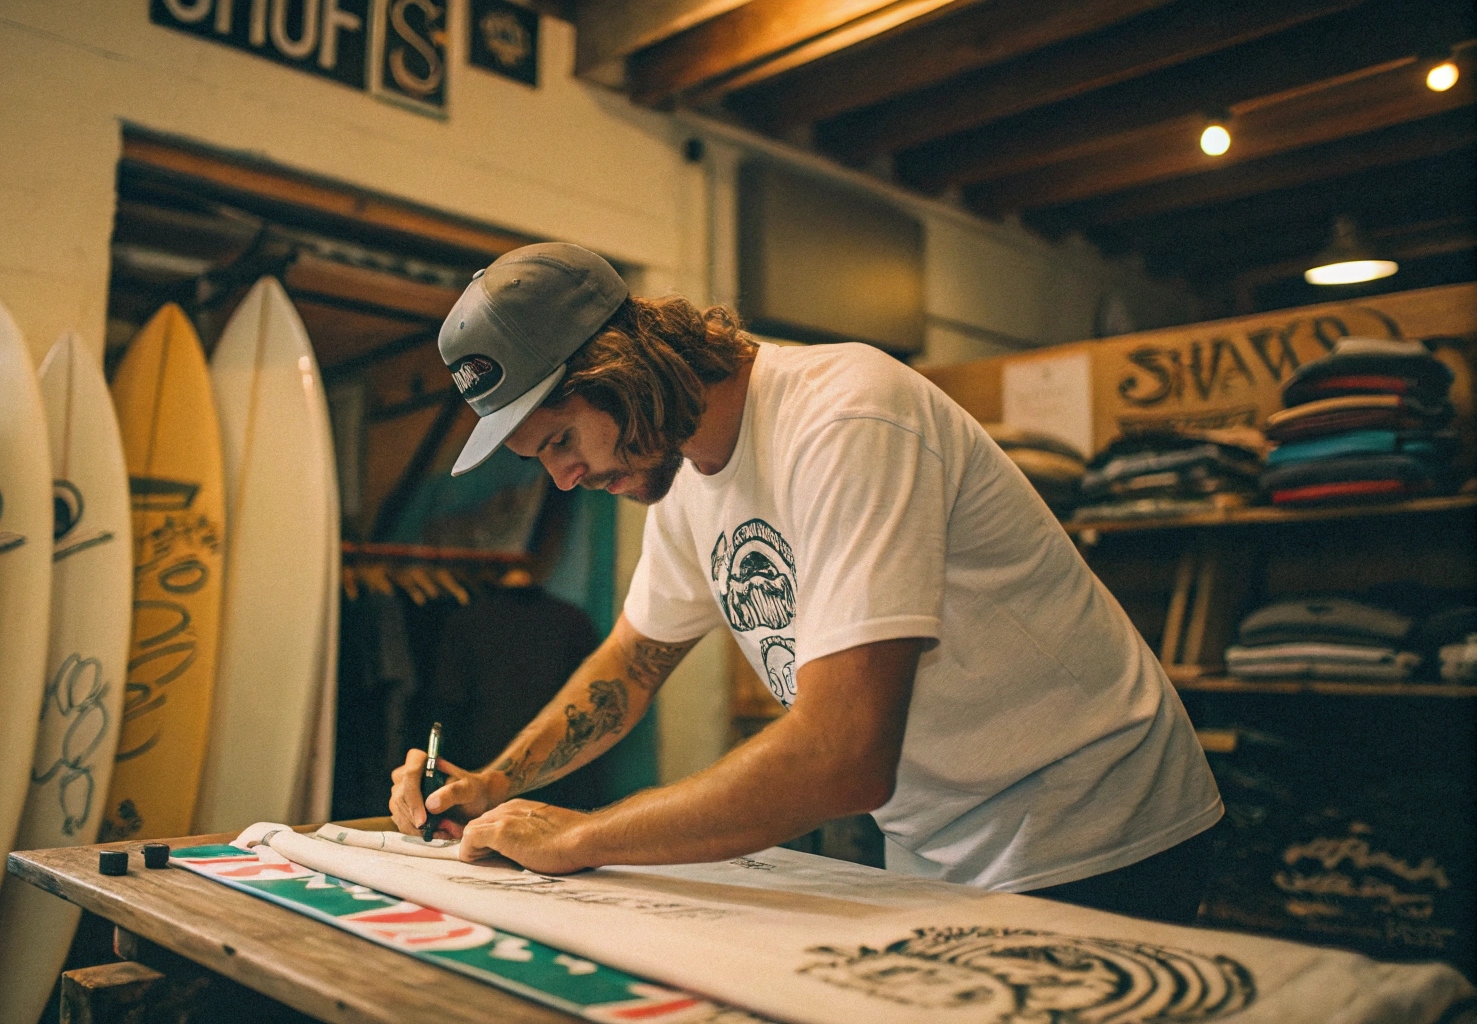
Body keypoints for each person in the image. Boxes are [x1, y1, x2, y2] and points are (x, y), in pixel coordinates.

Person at [389, 242, 1222, 923]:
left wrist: (580, 837)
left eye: (563, 439)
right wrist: (495, 783)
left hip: (1097, 823)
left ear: (620, 367)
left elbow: (844, 755)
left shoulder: (848, 416)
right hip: (937, 842)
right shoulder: (682, 476)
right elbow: (630, 665)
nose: (565, 479)